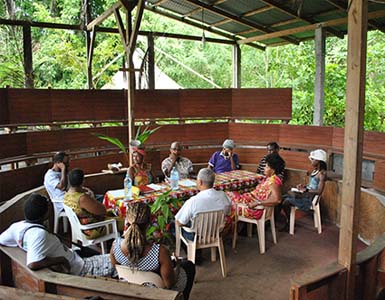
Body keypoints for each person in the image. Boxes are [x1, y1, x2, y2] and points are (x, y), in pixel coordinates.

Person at [0, 193, 115, 277]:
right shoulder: (39, 235)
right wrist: (61, 260)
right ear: (44, 214)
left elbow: (1, 240)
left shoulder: (18, 227)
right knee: (121, 260)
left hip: (76, 257)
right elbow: (32, 263)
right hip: (82, 269)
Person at [110, 202, 195, 300]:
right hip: (156, 293)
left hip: (132, 290)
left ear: (126, 221)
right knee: (188, 266)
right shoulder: (159, 252)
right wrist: (177, 265)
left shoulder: (115, 245)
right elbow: (169, 283)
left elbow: (116, 268)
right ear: (149, 224)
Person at [64, 168, 124, 239]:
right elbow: (102, 211)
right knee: (126, 221)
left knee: (114, 211)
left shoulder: (67, 195)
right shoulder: (82, 198)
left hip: (82, 226)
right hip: (92, 229)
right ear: (82, 181)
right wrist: (92, 196)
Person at [175, 168, 231, 240]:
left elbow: (179, 223)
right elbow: (228, 212)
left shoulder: (193, 201)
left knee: (173, 225)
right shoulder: (223, 195)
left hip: (197, 236)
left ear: (200, 182)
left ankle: (193, 250)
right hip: (216, 232)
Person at [280, 149, 327, 231]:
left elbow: (319, 191)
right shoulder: (315, 171)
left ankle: (289, 222)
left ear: (319, 161)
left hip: (309, 199)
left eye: (313, 159)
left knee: (286, 201)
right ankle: (288, 220)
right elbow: (312, 185)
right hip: (306, 194)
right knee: (283, 197)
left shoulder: (322, 174)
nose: (311, 161)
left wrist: (306, 190)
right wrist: (303, 186)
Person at [232, 153, 284, 221]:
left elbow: (277, 200)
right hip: (251, 201)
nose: (264, 169)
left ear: (273, 170)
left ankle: (229, 229)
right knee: (229, 195)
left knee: (229, 202)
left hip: (255, 210)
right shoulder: (269, 178)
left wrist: (257, 203)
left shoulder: (274, 181)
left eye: (267, 167)